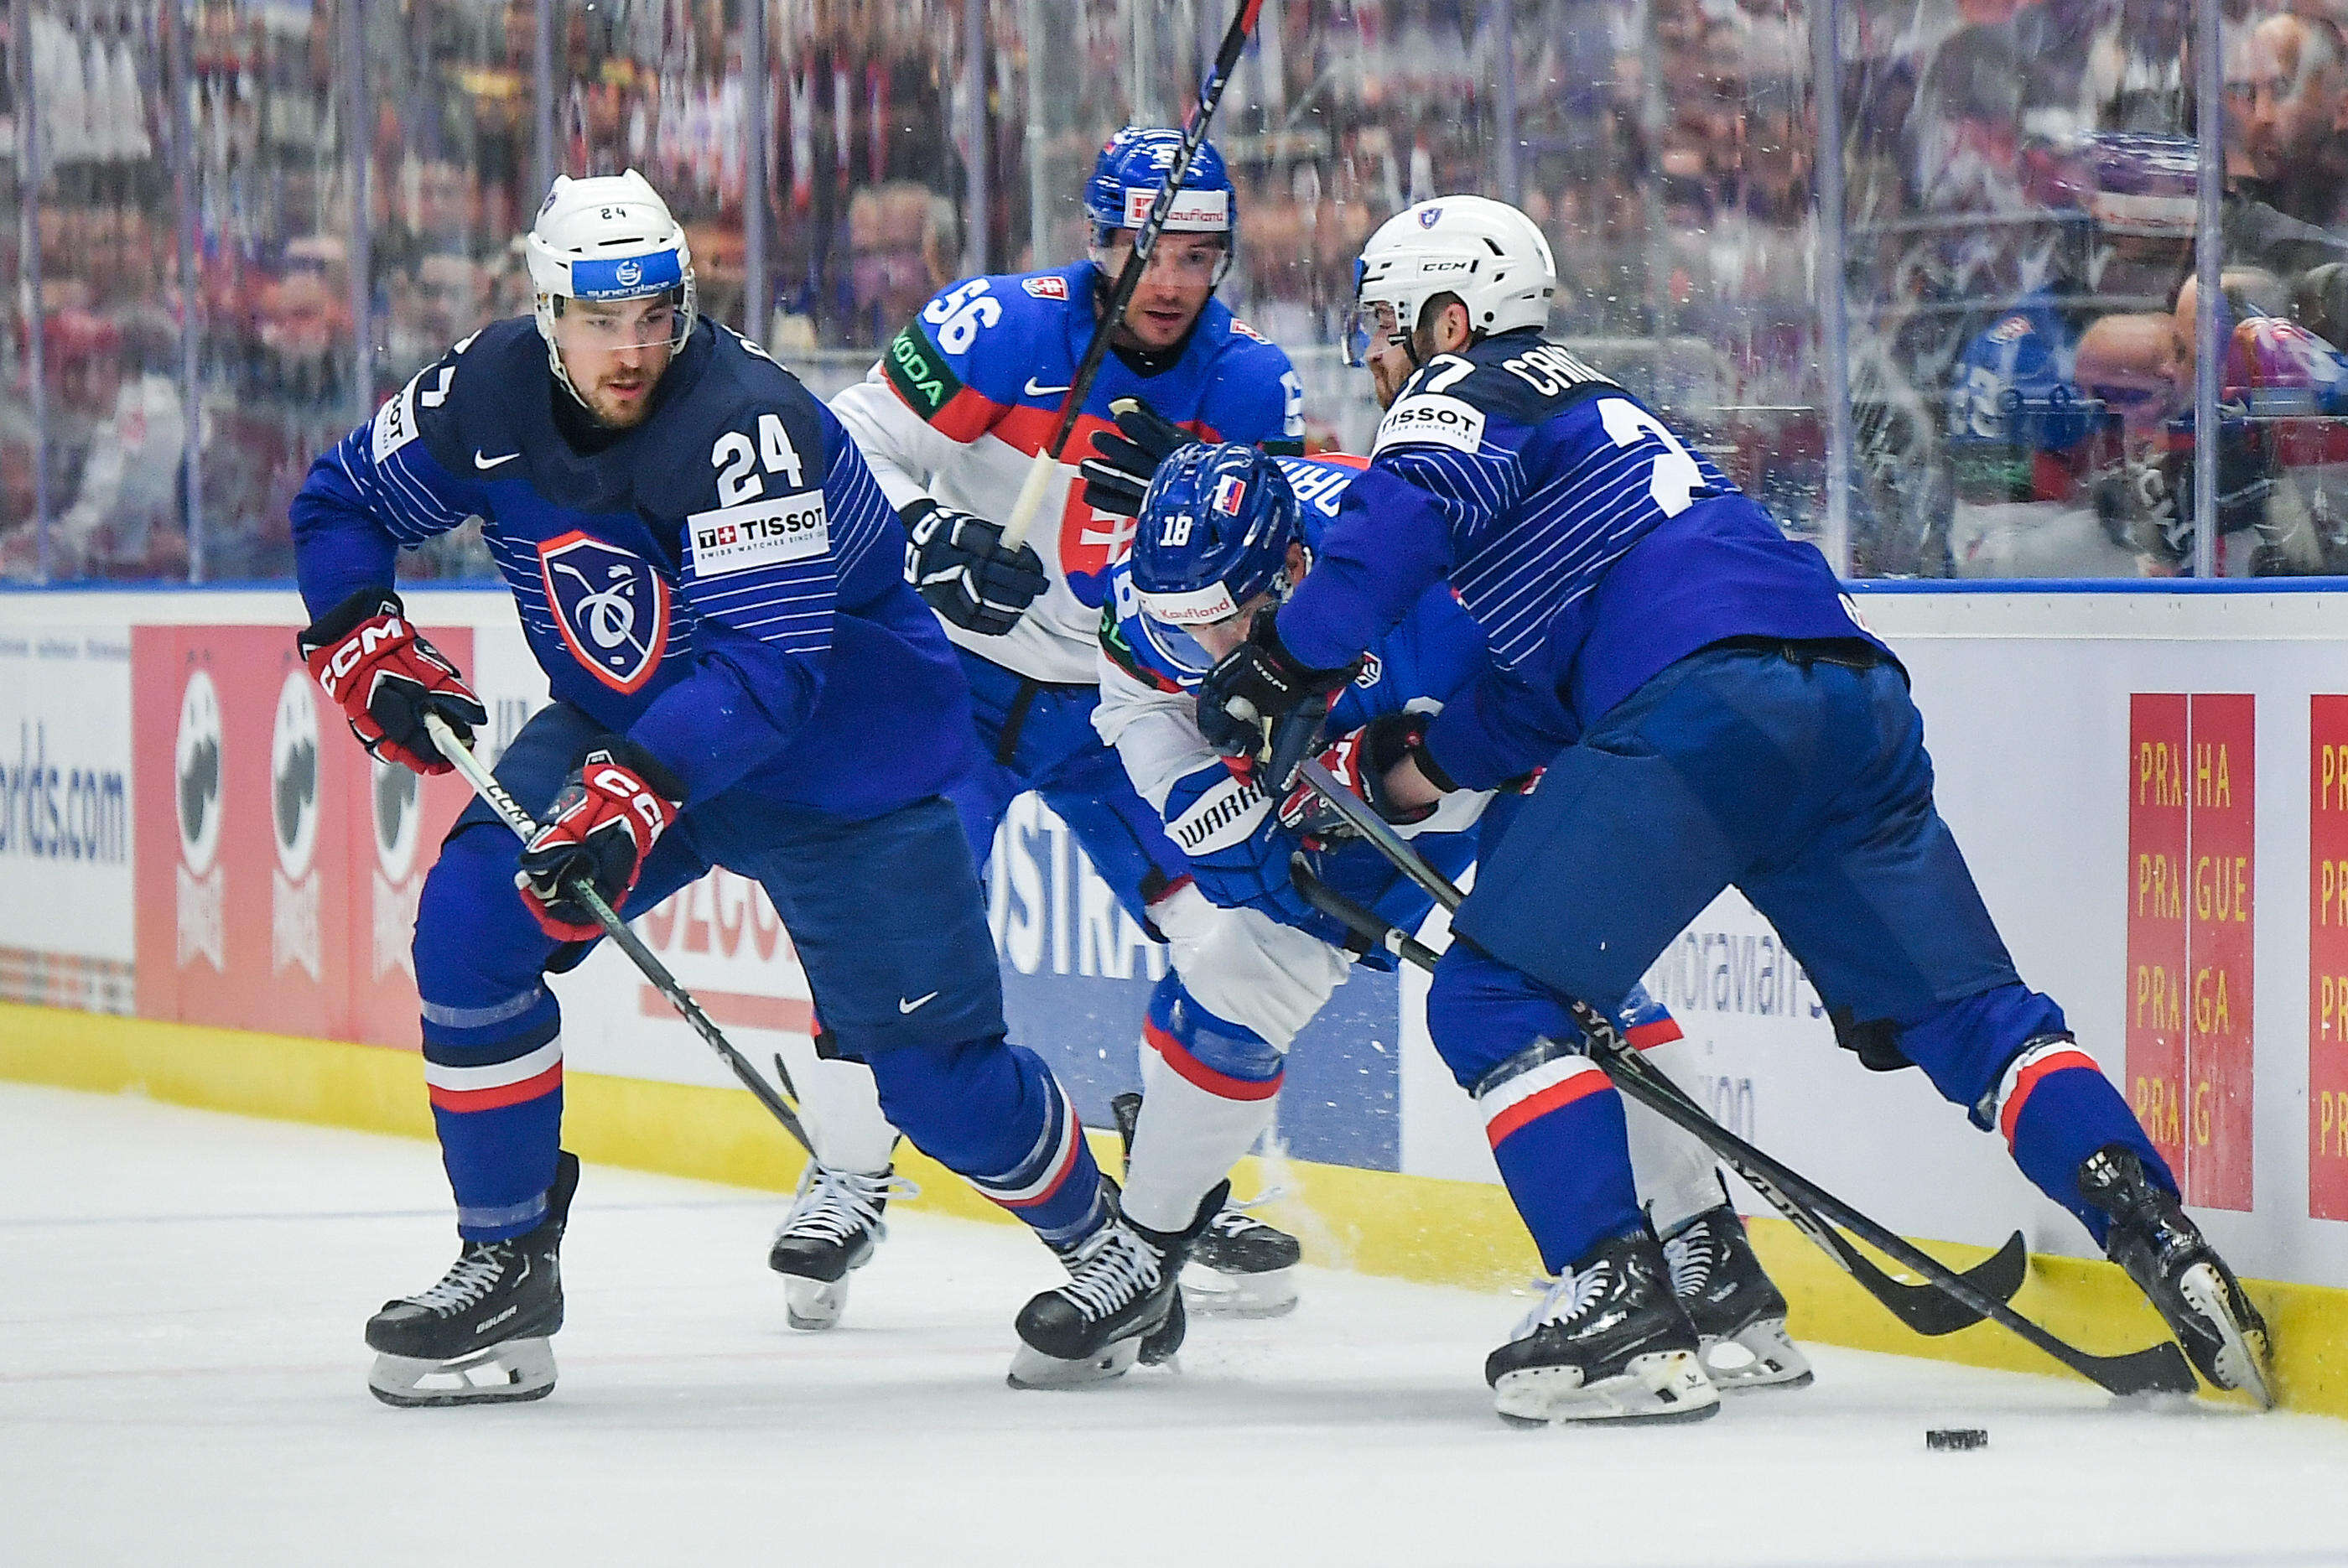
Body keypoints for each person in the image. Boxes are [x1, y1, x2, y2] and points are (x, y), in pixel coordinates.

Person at [1194, 194, 2273, 1425]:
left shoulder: (1472, 387)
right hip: (1848, 701)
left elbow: (1396, 523)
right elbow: (1542, 693)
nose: (1375, 359)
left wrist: (1281, 662)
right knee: (1977, 1017)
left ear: (1452, 316)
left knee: (1494, 993)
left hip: (1701, 706)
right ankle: (2155, 1227)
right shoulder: (1606, 414)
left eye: (1386, 327)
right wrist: (1406, 766)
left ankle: (1615, 1306)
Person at [288, 170, 1125, 1403]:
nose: (632, 350)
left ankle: (1106, 1246)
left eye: (656, 315)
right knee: (472, 929)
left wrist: (629, 793)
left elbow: (772, 668)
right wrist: (363, 632)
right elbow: (341, 498)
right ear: (547, 308)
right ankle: (506, 1266)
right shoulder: (482, 390)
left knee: (935, 1087)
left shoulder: (745, 421)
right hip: (641, 728)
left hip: (847, 765)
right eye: (600, 318)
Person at [1075, 431, 1813, 1394]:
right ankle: (1146, 1247)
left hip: (1494, 742)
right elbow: (1136, 701)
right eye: (1186, 632)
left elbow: (1544, 698)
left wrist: (1404, 773)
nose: (1205, 654)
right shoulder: (1157, 590)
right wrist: (1193, 798)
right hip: (1348, 769)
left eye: (1229, 624)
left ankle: (1701, 1245)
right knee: (1230, 974)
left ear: (1296, 565)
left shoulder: (1420, 573)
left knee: (1561, 969)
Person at [777, 127, 1317, 1349]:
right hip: (950, 687)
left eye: (1198, 253)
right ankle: (851, 1173)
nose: (1172, 280)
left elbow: (1285, 537)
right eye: (1148, 249)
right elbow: (843, 440)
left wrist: (1196, 475)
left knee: (1223, 927)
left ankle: (1182, 1191)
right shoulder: (999, 331)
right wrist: (922, 535)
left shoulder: (1249, 381)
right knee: (887, 918)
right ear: (1099, 240)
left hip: (1127, 702)